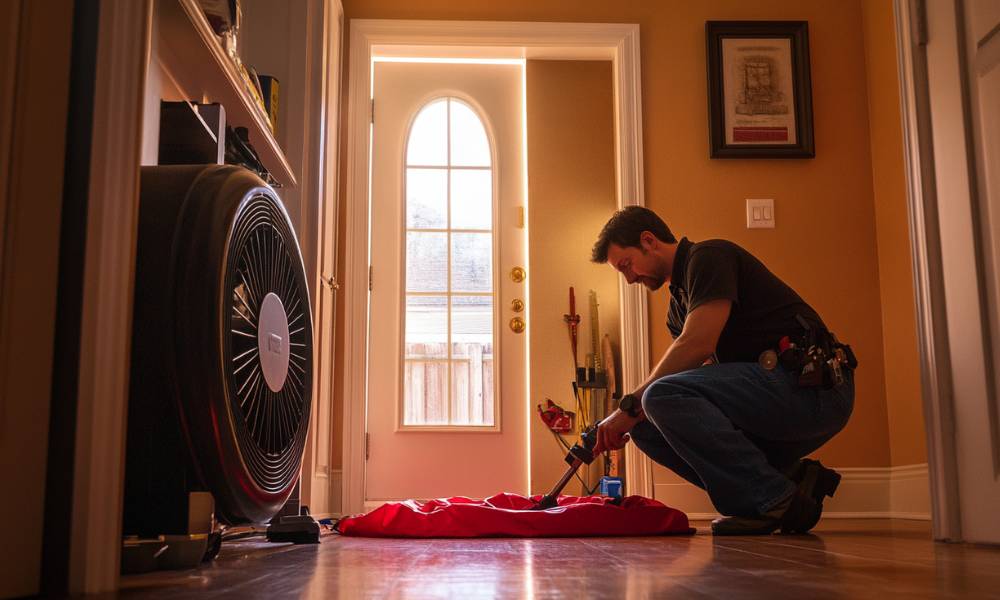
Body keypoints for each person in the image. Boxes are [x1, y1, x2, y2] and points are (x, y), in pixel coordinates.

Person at [590, 206, 856, 535]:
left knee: (656, 397)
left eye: (626, 265)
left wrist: (628, 406)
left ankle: (776, 500)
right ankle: (791, 480)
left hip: (814, 392)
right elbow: (699, 383)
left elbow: (697, 344)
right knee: (645, 426)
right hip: (772, 402)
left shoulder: (709, 257)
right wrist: (634, 415)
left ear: (648, 241)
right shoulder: (678, 309)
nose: (629, 279)